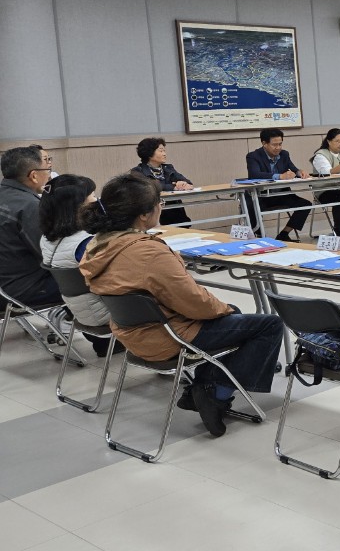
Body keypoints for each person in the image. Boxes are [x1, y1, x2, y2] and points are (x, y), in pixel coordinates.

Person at [79, 173, 284, 437]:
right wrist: (223, 309)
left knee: (235, 316)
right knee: (269, 324)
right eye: (159, 203)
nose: (161, 207)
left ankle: (201, 388)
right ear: (144, 214)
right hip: (168, 337)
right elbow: (194, 302)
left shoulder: (98, 245)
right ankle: (214, 394)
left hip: (131, 334)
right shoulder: (147, 252)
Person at [39, 174, 120, 357]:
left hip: (80, 311)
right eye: (92, 195)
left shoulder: (47, 239)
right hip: (107, 312)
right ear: (77, 206)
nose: (96, 200)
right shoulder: (85, 243)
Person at [0, 145, 61, 308]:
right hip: (22, 290)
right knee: (96, 282)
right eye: (47, 169)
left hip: (6, 286)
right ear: (34, 176)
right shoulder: (29, 206)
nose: (49, 174)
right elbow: (51, 256)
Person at [245, 128, 311, 242]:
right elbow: (254, 174)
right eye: (274, 145)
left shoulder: (284, 154)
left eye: (280, 144)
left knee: (305, 205)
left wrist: (300, 172)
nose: (278, 147)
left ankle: (284, 234)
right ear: (264, 144)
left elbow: (294, 169)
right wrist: (279, 176)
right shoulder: (253, 156)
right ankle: (259, 237)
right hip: (261, 196)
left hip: (281, 194)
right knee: (251, 206)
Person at [130, 137, 194, 226]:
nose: (164, 154)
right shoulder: (137, 171)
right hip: (153, 215)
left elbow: (187, 182)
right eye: (161, 151)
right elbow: (150, 187)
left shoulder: (168, 168)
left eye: (164, 151)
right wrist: (173, 186)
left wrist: (183, 184)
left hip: (175, 214)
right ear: (149, 153)